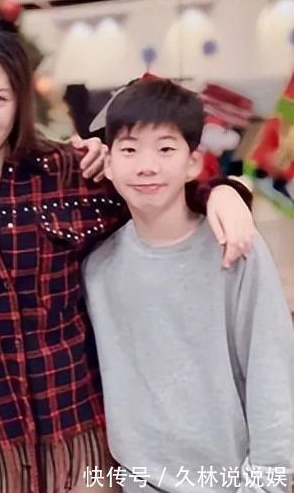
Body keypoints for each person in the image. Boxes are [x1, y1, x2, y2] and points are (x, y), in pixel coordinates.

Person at [0, 28, 256, 493]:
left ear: (20, 102)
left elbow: (159, 192)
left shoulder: (69, 173)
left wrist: (223, 192)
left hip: (81, 435)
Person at [82, 77, 293, 493]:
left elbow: (273, 377)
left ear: (194, 162)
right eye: (129, 149)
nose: (146, 166)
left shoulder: (234, 247)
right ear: (108, 163)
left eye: (165, 149)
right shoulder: (97, 267)